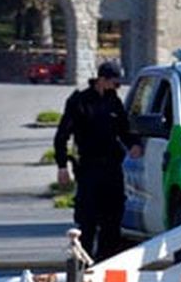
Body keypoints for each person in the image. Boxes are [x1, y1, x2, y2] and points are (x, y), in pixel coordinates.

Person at [54, 61, 142, 262]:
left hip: (112, 165)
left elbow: (124, 129)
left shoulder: (114, 102)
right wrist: (62, 165)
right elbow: (62, 135)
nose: (117, 87)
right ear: (102, 80)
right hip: (89, 167)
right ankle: (85, 263)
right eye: (115, 82)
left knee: (113, 216)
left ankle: (107, 260)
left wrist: (134, 144)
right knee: (88, 217)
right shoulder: (79, 102)